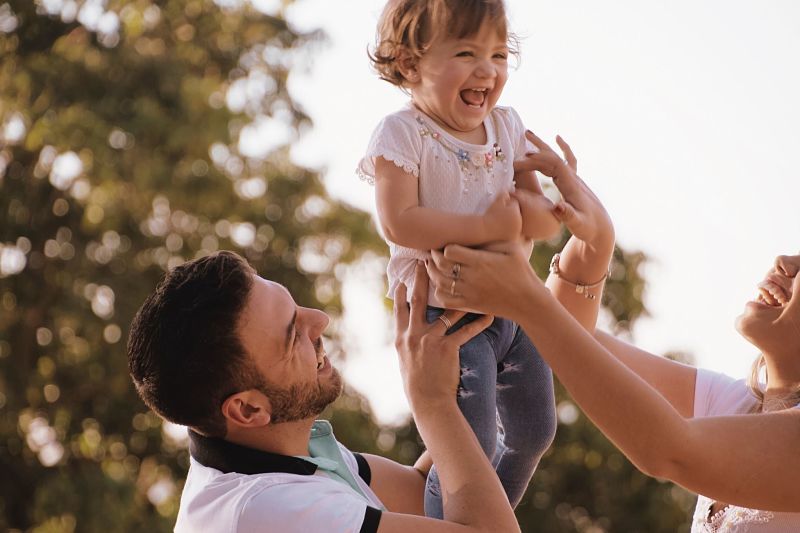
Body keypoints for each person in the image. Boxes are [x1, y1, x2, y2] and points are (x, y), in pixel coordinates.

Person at [426, 131, 800, 531]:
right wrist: (595, 240)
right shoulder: (737, 404)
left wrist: (526, 299)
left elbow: (670, 450)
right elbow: (571, 337)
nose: (784, 261)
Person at [126, 250, 521, 533]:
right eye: (291, 334)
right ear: (247, 410)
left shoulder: (282, 449)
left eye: (296, 307)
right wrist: (431, 401)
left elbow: (425, 494)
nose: (319, 320)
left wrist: (493, 350)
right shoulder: (264, 511)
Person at [357, 0, 560, 517]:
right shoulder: (403, 134)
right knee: (468, 448)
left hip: (509, 308)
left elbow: (537, 220)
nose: (487, 70)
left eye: (498, 53)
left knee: (535, 430)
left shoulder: (507, 126)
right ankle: (444, 526)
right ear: (409, 64)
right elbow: (399, 220)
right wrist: (483, 228)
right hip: (442, 317)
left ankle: (489, 522)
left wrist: (554, 201)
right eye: (466, 52)